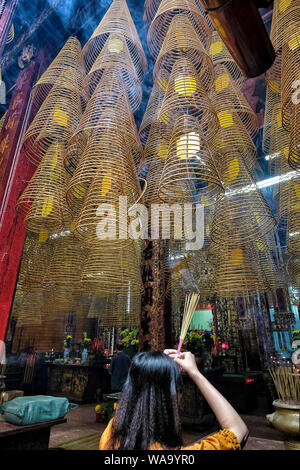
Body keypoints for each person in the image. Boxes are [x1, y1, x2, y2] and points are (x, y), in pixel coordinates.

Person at [99, 349, 249, 450]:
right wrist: (195, 373)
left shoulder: (111, 436)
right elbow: (239, 429)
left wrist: (155, 364)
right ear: (170, 395)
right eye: (179, 389)